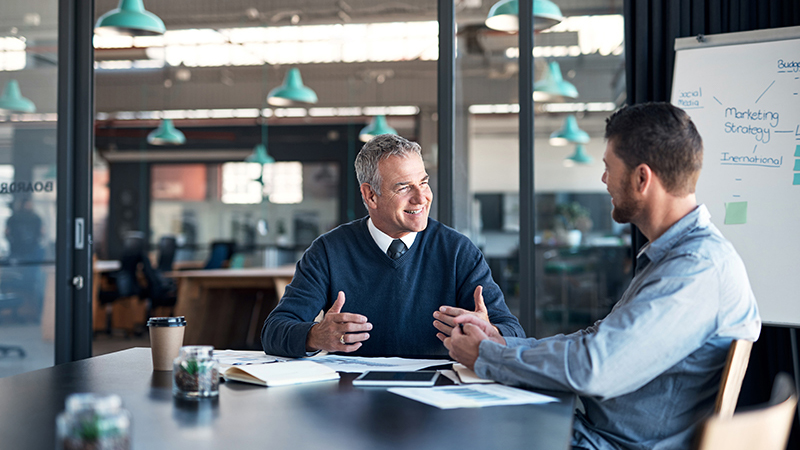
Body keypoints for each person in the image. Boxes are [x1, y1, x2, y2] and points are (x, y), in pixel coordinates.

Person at [442, 102, 761, 450]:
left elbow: (595, 367)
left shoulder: (696, 269)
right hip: (595, 433)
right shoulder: (675, 258)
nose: (604, 179)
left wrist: (487, 356)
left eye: (609, 168)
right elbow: (596, 341)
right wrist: (501, 344)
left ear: (642, 178)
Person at [262, 134, 524, 358]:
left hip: (437, 396)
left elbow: (513, 331)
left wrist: (492, 333)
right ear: (370, 195)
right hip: (352, 399)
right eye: (404, 187)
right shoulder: (329, 251)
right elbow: (274, 330)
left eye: (423, 182)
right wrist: (314, 336)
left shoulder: (457, 251)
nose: (421, 197)